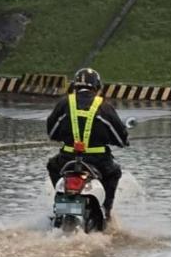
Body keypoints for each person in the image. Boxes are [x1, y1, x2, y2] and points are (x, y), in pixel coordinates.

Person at [46, 67, 129, 215]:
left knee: (52, 166)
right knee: (114, 172)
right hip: (99, 161)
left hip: (67, 159)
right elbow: (119, 137)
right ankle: (106, 212)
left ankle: (62, 201)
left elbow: (52, 132)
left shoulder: (64, 103)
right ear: (97, 87)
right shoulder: (104, 106)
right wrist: (122, 141)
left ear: (74, 86)